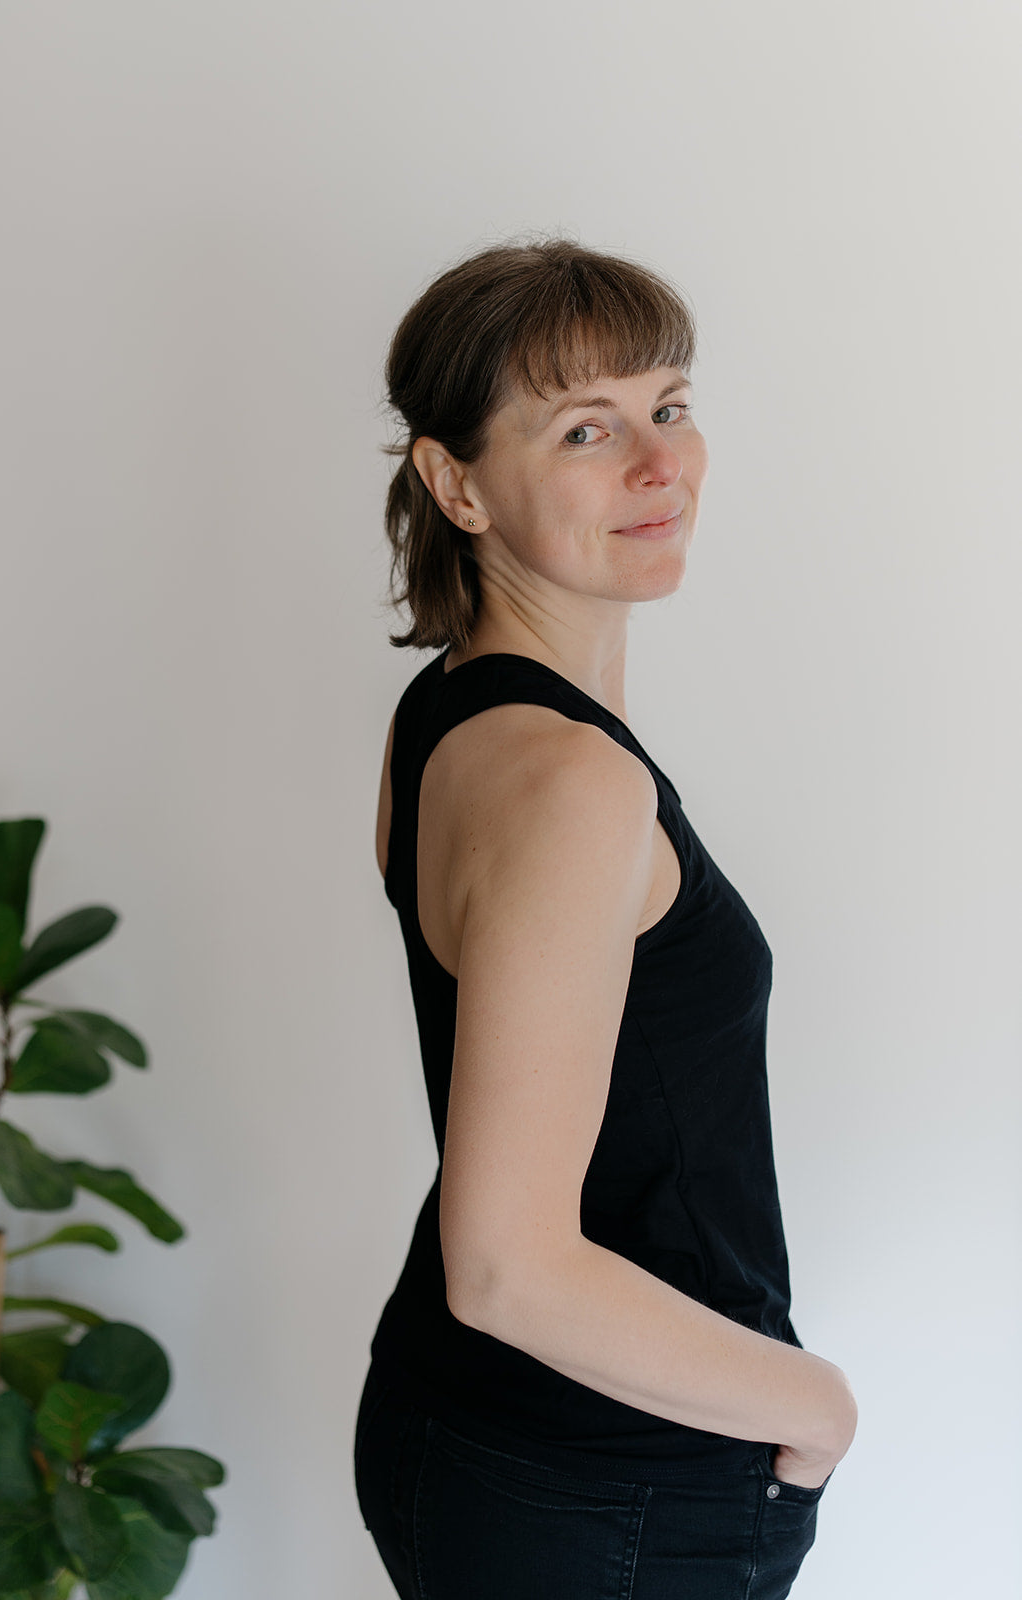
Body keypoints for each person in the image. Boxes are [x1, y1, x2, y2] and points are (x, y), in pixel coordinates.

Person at [354, 236, 858, 1600]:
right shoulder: (570, 779)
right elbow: (509, 1267)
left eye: (671, 407)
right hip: (612, 1476)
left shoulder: (448, 713)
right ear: (456, 483)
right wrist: (816, 1407)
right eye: (588, 429)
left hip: (487, 1440)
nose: (659, 465)